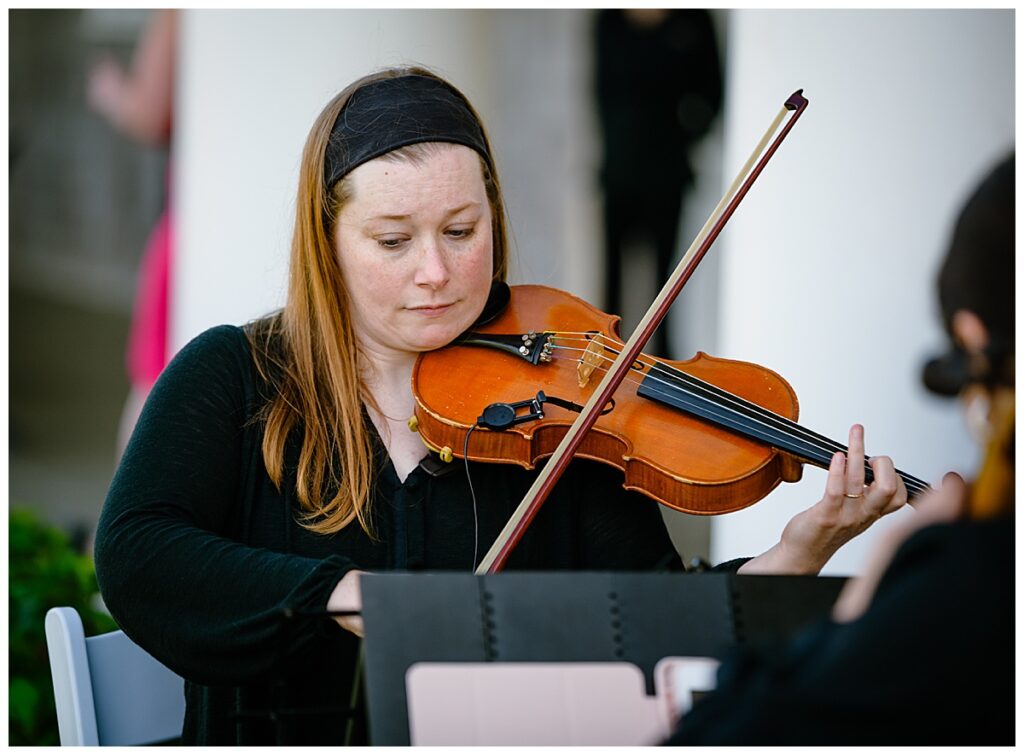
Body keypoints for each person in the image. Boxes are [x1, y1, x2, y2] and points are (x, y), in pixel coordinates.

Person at [95, 67, 907, 746]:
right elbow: (138, 551)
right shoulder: (237, 375)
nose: (437, 272)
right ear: (326, 241)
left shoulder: (563, 403)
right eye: (392, 241)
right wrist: (341, 592)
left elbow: (663, 621)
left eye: (461, 229)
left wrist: (800, 551)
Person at [666, 154, 1014, 745]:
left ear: (973, 336)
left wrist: (881, 584)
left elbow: (713, 725)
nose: (443, 272)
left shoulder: (977, 583)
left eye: (464, 231)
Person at [594, 9, 722, 358]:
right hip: (620, 171)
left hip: (668, 173)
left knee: (667, 287)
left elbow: (712, 93)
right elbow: (601, 92)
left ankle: (665, 372)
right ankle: (605, 363)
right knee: (611, 285)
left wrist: (681, 134)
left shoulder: (694, 19)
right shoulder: (610, 18)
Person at [87, 9, 177, 460]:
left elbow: (149, 112)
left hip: (194, 221)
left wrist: (109, 90)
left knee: (153, 381)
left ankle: (125, 522)